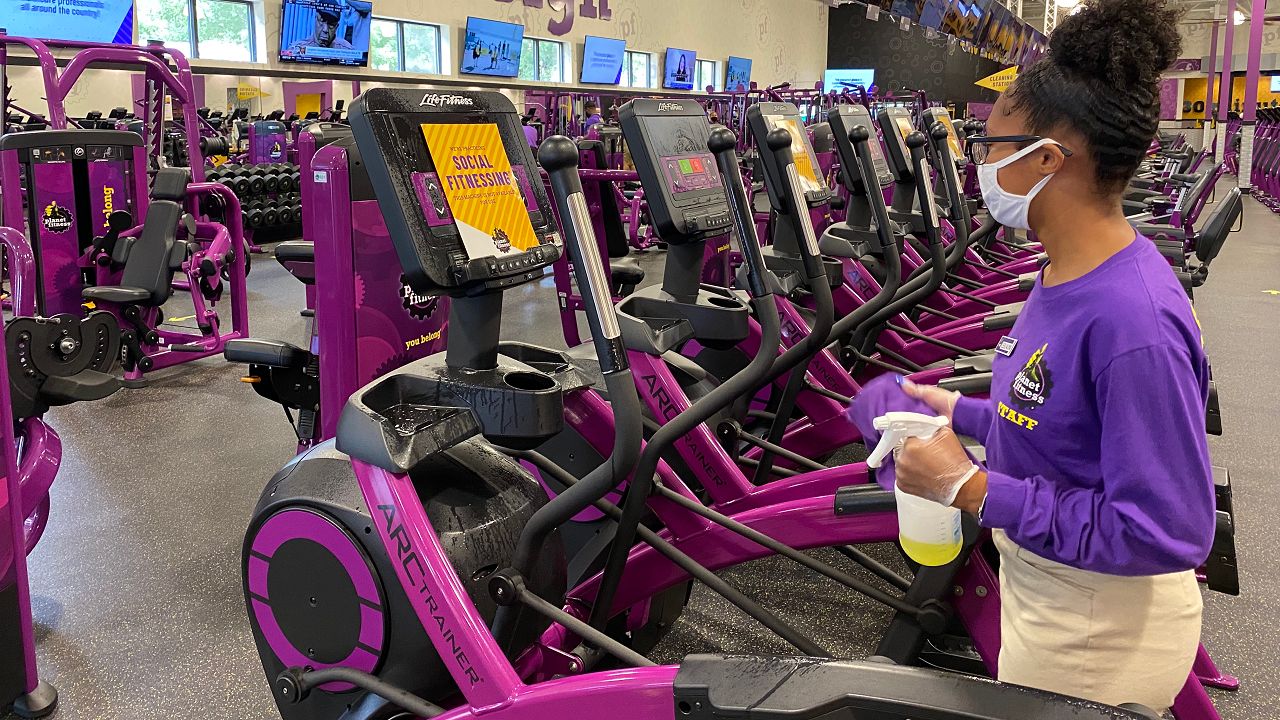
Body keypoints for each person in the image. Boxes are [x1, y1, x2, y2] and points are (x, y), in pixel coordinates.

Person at [890, 0, 1213, 713]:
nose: (979, 164)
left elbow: (1164, 530)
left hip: (1097, 629)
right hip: (1052, 592)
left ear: (1045, 159)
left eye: (990, 146)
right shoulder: (1066, 269)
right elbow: (1060, 419)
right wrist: (965, 412)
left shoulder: (1133, 321)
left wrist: (974, 488)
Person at [286, 5, 352, 54]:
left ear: (336, 27)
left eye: (331, 24)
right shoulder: (295, 50)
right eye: (321, 21)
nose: (325, 30)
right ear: (315, 20)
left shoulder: (347, 51)